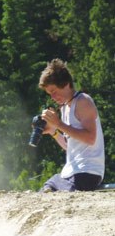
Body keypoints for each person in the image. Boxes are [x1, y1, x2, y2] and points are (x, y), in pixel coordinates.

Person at [39, 59, 105, 192]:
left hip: (87, 172)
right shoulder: (65, 108)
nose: (52, 97)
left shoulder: (83, 101)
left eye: (54, 91)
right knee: (47, 187)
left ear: (65, 84)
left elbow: (90, 138)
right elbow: (70, 147)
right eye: (49, 94)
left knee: (55, 194)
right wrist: (54, 131)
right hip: (71, 172)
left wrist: (59, 124)